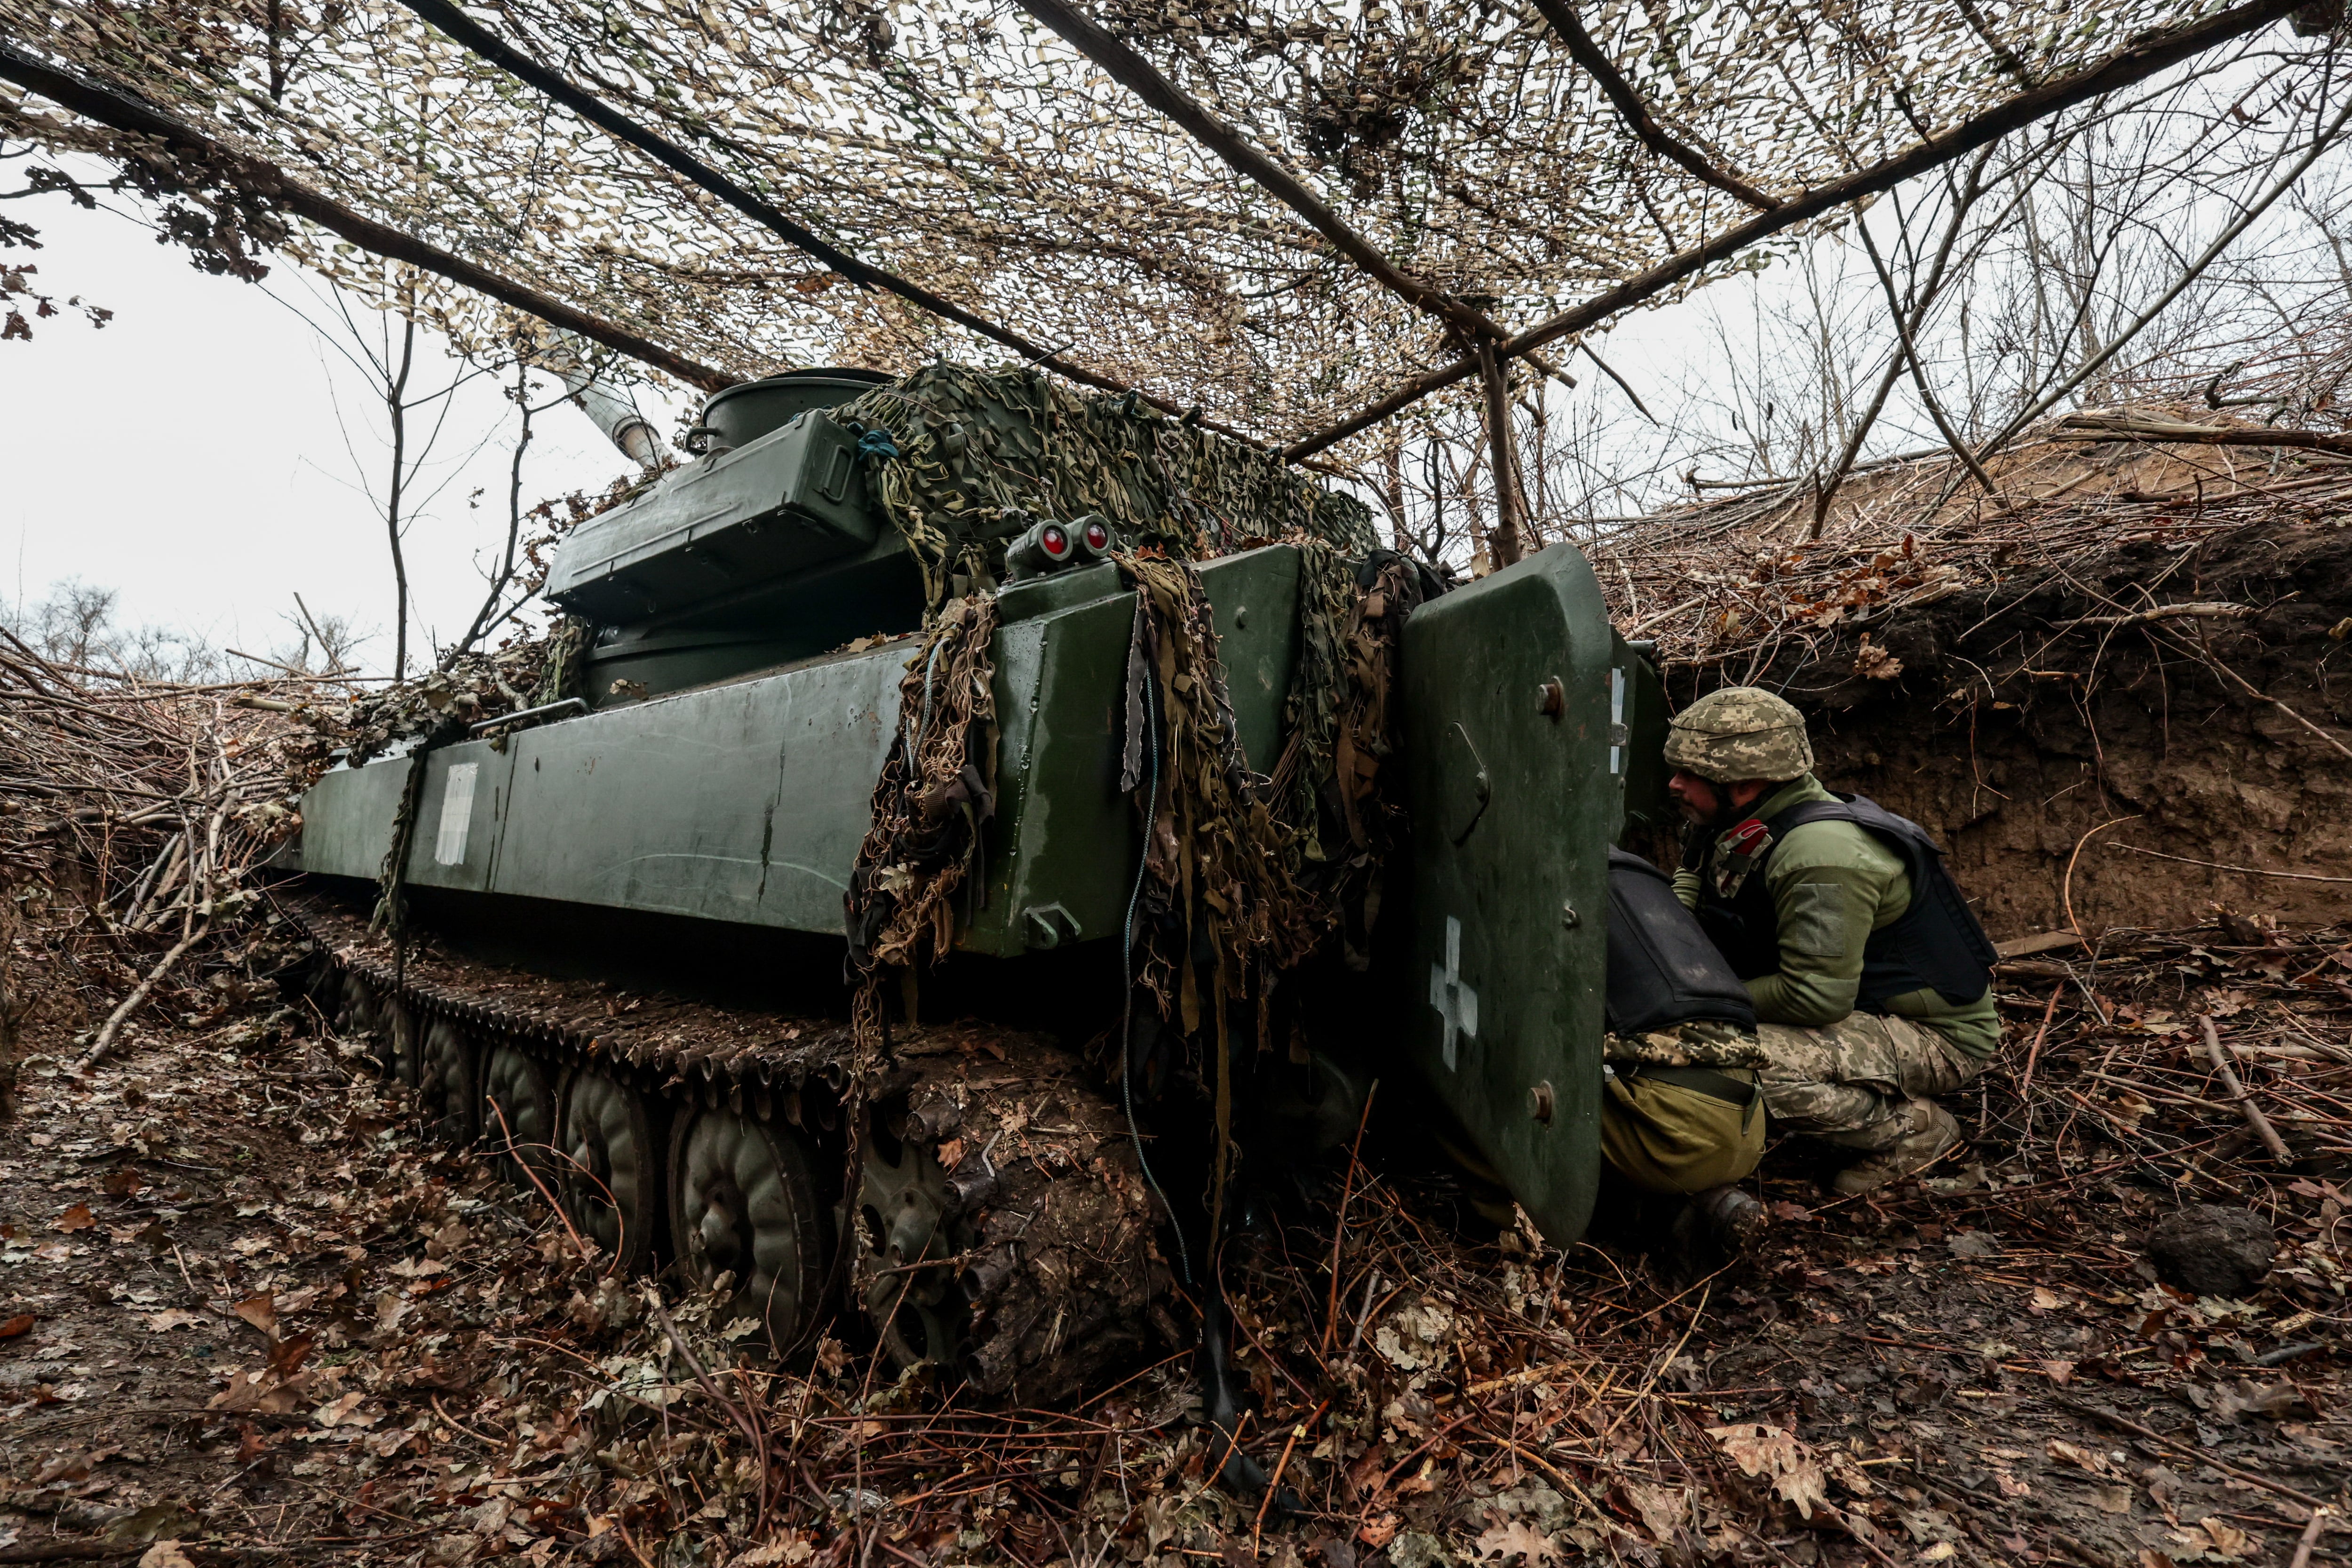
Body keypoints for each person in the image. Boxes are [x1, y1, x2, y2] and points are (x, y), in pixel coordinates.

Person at [1661, 688, 2001, 1195]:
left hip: (1935, 1037)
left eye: (1689, 774)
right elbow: (1692, 877)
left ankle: (1913, 1131)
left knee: (1729, 1063)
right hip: (1860, 1010)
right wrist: (1668, 947)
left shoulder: (1820, 854)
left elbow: (1814, 997)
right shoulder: (1736, 819)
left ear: (1746, 783)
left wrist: (1694, 1000)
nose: (1674, 784)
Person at [1598, 847, 1768, 1258]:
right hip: (1750, 1125)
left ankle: (1503, 1234)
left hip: (1673, 1135)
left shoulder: (1553, 885)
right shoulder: (1642, 877)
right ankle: (1680, 1211)